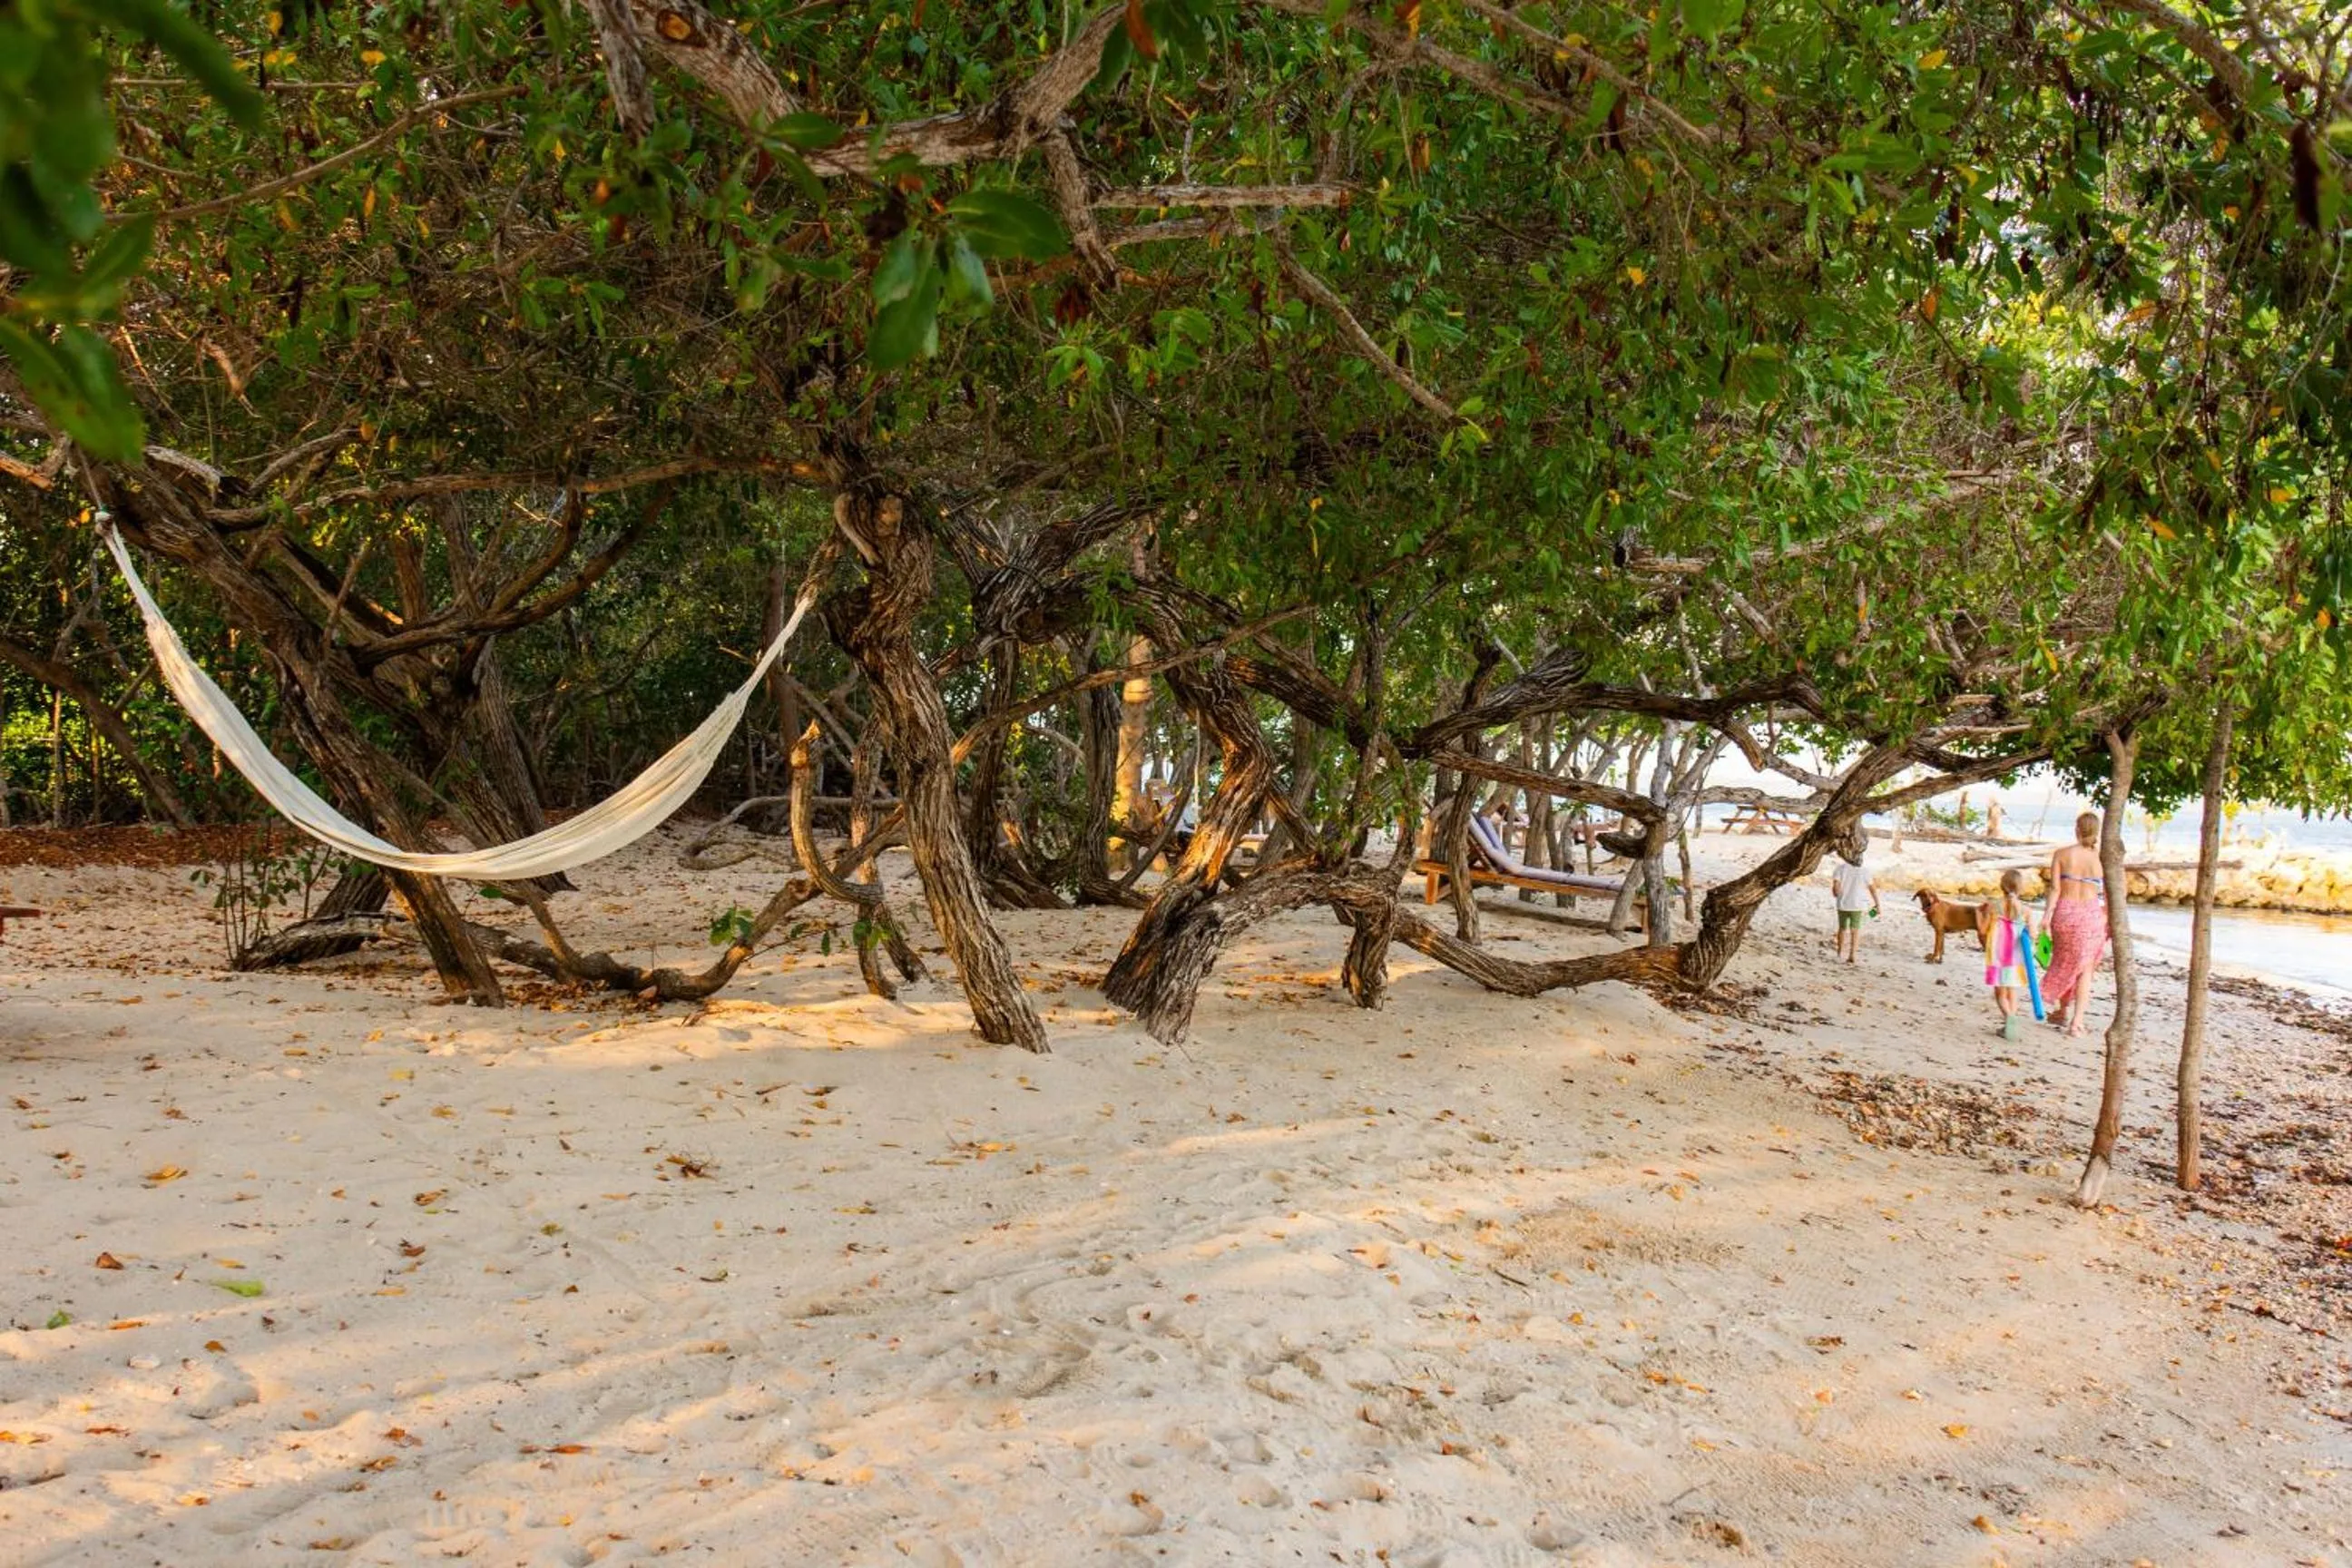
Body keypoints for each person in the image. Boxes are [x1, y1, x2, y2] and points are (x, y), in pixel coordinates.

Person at [2042, 810, 2112, 1038]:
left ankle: (2062, 1011)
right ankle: (2077, 1023)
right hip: (2091, 916)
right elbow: (2109, 895)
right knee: (2085, 970)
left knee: (2065, 962)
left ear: (2077, 829)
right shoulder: (2101, 860)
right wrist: (2106, 918)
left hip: (2065, 913)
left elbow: (2055, 889)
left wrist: (2046, 916)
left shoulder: (2062, 854)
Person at [1984, 868, 2036, 1034]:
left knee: (2000, 992)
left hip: (1997, 955)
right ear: (2020, 888)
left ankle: (2009, 1020)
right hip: (2015, 956)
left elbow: (1985, 929)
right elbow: (2033, 935)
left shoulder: (1994, 907)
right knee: (2012, 990)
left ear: (2002, 886)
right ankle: (2011, 1021)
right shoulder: (2026, 911)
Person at [1829, 840, 1879, 964]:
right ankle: (1852, 955)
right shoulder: (1865, 871)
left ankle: (1839, 953)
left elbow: (1836, 889)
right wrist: (1877, 904)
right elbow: (1873, 889)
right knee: (1855, 930)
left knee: (1842, 928)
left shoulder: (1840, 869)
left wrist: (1838, 893)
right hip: (1857, 906)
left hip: (1842, 905)